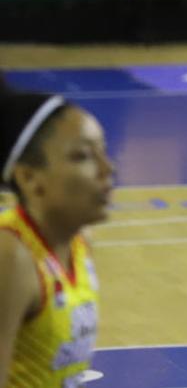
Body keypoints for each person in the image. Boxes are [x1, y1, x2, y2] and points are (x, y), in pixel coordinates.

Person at [0, 78, 113, 387]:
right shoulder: (12, 258)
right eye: (82, 157)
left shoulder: (78, 240)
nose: (107, 170)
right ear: (29, 179)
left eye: (103, 151)